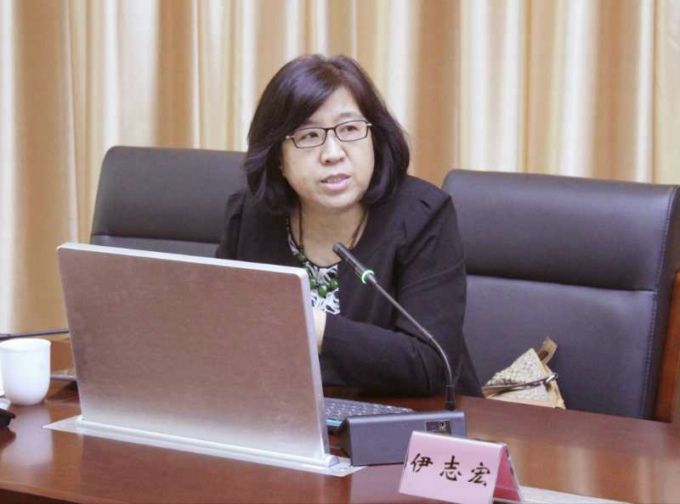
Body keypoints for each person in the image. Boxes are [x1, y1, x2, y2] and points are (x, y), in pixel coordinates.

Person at [216, 54, 481, 397]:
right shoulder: (250, 216)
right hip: (283, 412)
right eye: (309, 135)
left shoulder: (422, 216)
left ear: (375, 139)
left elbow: (430, 364)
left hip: (408, 417)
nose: (333, 153)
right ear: (277, 156)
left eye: (350, 130)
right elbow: (223, 329)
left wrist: (316, 327)